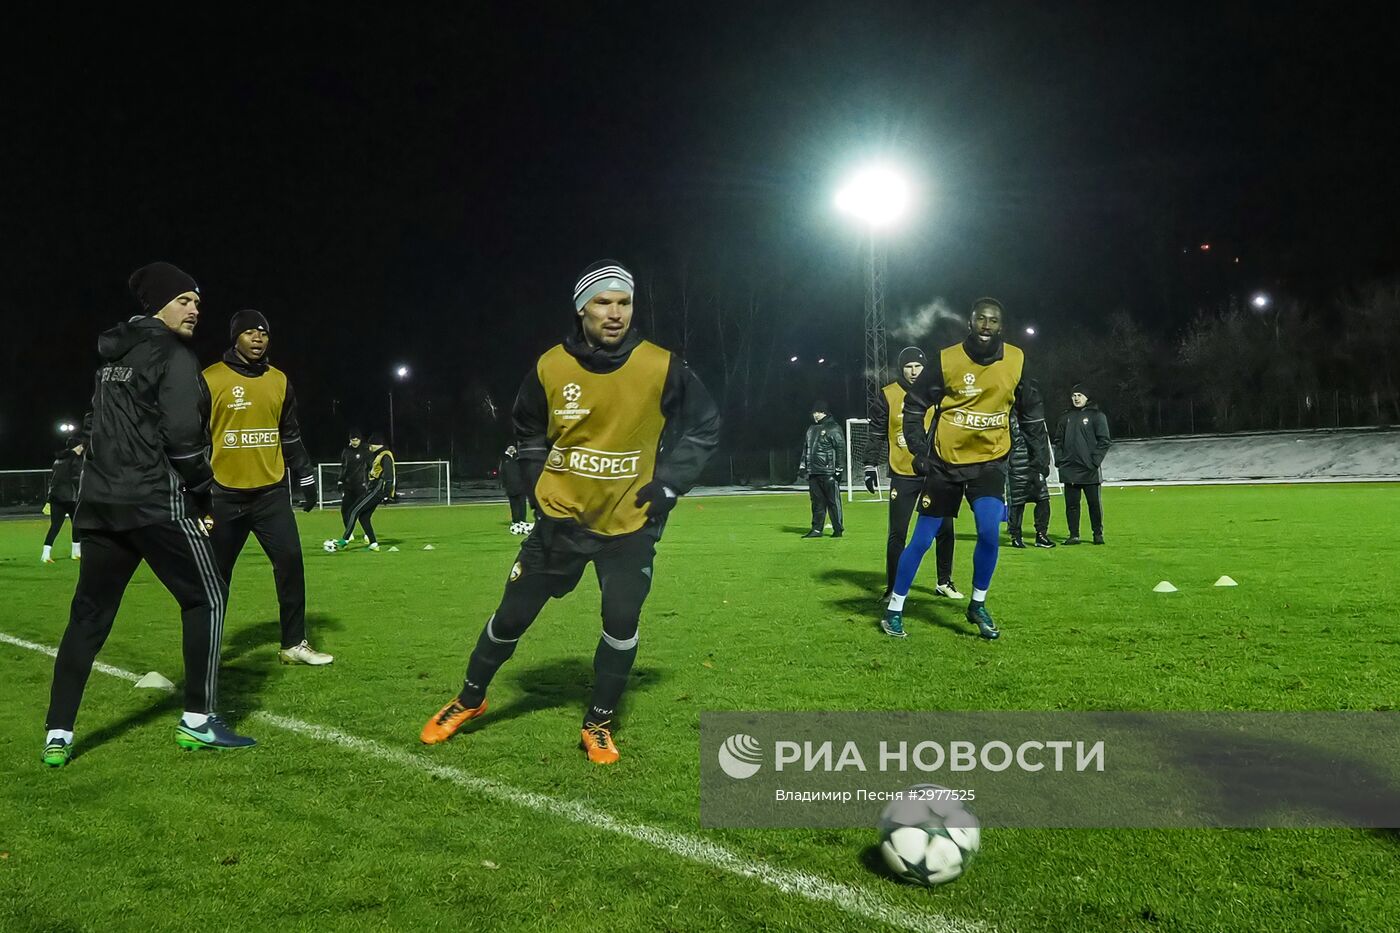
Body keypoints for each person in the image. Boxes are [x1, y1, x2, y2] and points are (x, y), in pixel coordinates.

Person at [421, 259, 720, 765]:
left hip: (630, 525)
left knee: (621, 620)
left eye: (624, 302)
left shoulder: (661, 366)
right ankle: (470, 699)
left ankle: (598, 723)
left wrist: (669, 483)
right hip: (561, 521)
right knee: (513, 614)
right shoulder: (550, 367)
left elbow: (705, 425)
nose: (615, 313)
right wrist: (540, 486)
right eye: (604, 302)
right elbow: (527, 431)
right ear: (582, 308)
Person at [43, 262, 253, 768]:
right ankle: (199, 722)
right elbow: (183, 440)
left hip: (101, 506)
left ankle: (57, 733)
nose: (196, 308)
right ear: (158, 304)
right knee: (206, 597)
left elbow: (95, 425)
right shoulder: (173, 356)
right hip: (155, 501)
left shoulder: (115, 356)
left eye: (198, 301)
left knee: (87, 619)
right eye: (185, 300)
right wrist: (205, 496)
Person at [879, 297, 1047, 640]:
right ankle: (894, 608)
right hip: (945, 464)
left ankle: (977, 605)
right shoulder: (946, 360)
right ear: (970, 323)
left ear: (1001, 326)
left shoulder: (1016, 360)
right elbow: (914, 405)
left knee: (989, 532)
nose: (987, 324)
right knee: (923, 539)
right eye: (981, 318)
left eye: (994, 320)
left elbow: (1030, 409)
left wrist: (1039, 456)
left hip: (989, 462)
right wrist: (918, 450)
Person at [203, 309, 332, 666]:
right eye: (249, 332)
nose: (258, 338)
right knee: (215, 576)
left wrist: (304, 476)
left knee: (290, 562)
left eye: (263, 332)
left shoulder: (279, 381)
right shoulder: (211, 378)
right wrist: (192, 488)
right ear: (235, 338)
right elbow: (192, 437)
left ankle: (293, 644)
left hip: (271, 493)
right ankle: (208, 648)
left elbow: (289, 434)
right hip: (223, 493)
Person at [862, 347, 961, 598]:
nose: (914, 371)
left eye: (918, 366)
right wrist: (869, 465)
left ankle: (944, 581)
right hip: (903, 473)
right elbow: (876, 434)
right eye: (909, 367)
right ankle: (893, 586)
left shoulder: (937, 393)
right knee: (898, 533)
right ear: (901, 369)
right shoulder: (888, 395)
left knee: (945, 530)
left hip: (936, 474)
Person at [1053, 383, 1112, 545]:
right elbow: (1057, 441)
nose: (1076, 398)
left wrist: (1094, 461)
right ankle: (1074, 535)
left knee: (1093, 503)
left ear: (1087, 397)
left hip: (1089, 469)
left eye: (1080, 395)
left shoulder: (1097, 416)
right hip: (1069, 468)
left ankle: (1097, 534)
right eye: (1074, 395)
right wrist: (1059, 460)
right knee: (1071, 505)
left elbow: (1105, 441)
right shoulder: (1065, 417)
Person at [1005, 379, 1055, 549]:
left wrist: (1043, 463)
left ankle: (1041, 535)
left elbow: (1041, 438)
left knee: (1043, 499)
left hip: (1034, 462)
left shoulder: (1034, 412)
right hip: (1017, 461)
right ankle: (1015, 536)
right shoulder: (1008, 413)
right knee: (1017, 502)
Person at [334, 433, 395, 550]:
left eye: (371, 444)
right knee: (364, 517)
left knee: (353, 511)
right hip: (373, 489)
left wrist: (387, 494)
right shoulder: (379, 455)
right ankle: (373, 544)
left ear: (377, 445)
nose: (369, 447)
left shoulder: (385, 456)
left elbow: (389, 476)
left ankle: (345, 540)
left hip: (376, 490)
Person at [797, 401, 844, 538]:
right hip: (813, 472)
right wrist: (803, 466)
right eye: (814, 412)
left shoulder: (834, 428)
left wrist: (839, 468)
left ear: (824, 412)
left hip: (828, 472)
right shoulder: (811, 429)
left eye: (817, 412)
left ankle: (838, 529)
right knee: (817, 503)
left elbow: (840, 448)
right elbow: (807, 449)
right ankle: (816, 529)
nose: (815, 415)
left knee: (833, 502)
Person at [42, 437, 85, 563]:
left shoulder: (58, 460)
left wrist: (49, 498)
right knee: (77, 524)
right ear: (77, 447)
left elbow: (54, 480)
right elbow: (78, 478)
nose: (83, 448)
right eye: (81, 446)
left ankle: (45, 554)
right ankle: (75, 553)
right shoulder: (76, 459)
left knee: (55, 526)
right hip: (70, 498)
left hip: (56, 497)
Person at [338, 428, 370, 541]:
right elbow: (343, 467)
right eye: (353, 440)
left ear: (360, 440)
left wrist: (370, 481)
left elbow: (370, 466)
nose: (355, 442)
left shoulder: (365, 450)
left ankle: (368, 534)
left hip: (361, 486)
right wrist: (340, 480)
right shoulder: (346, 451)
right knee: (345, 510)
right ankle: (349, 532)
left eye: (356, 440)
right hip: (348, 486)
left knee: (362, 511)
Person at [500, 444, 535, 535]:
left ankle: (522, 520)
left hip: (521, 486)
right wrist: (504, 485)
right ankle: (515, 521)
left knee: (522, 504)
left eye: (513, 447)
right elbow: (502, 474)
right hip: (511, 487)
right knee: (513, 505)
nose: (511, 448)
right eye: (510, 447)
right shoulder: (504, 459)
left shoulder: (519, 458)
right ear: (507, 449)